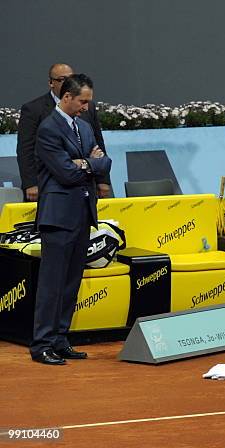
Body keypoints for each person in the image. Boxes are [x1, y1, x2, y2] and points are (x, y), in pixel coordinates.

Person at [30, 74, 112, 365]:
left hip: (82, 213)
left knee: (70, 283)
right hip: (58, 216)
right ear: (67, 97)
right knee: (52, 284)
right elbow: (64, 173)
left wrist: (85, 163)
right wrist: (90, 163)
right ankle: (41, 345)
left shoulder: (86, 127)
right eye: (83, 101)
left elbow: (105, 161)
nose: (86, 107)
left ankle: (60, 340)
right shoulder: (48, 129)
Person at [16, 63, 110, 202]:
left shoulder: (87, 107)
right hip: (53, 186)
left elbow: (99, 146)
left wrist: (103, 179)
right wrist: (31, 183)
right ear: (51, 83)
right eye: (61, 79)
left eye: (70, 78)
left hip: (85, 190)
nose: (67, 82)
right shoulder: (34, 109)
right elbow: (26, 149)